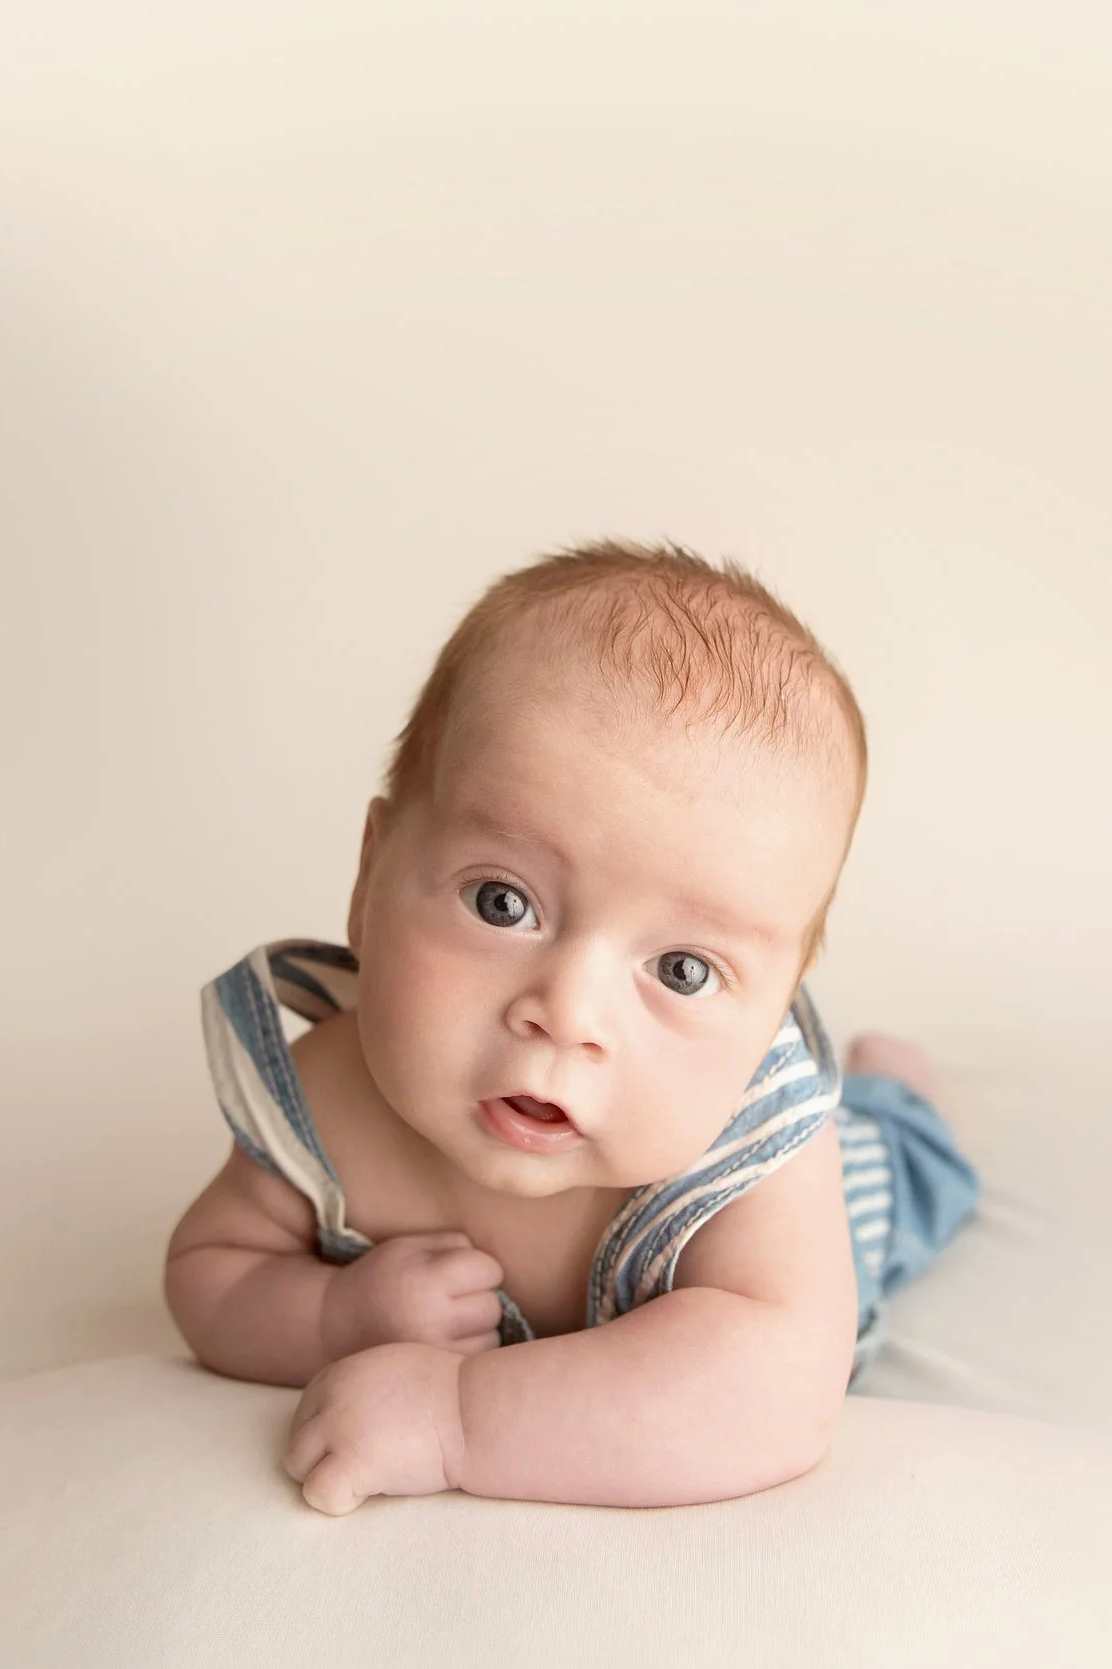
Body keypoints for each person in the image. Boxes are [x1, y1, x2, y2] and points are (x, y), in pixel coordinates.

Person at [162, 539, 978, 1515]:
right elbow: (209, 1275)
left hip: (850, 1193)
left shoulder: (754, 1146)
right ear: (369, 880)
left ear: (769, 1011)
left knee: (904, 1164)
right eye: (502, 903)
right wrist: (332, 1313)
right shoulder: (326, 1095)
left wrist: (459, 1417)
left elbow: (775, 1393)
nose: (567, 1013)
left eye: (682, 969)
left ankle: (897, 1094)